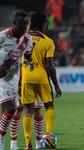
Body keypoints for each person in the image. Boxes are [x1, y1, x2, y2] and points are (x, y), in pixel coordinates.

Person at [21, 12, 62, 150]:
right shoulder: (48, 41)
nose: (46, 27)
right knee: (49, 105)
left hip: (26, 77)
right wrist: (56, 86)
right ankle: (49, 134)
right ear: (43, 24)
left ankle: (28, 144)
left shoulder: (22, 38)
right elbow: (50, 66)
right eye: (46, 25)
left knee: (28, 109)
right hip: (42, 77)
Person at [10, 12, 44, 150]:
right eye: (26, 24)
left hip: (35, 80)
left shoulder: (35, 40)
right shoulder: (18, 39)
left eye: (29, 24)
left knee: (37, 111)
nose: (27, 26)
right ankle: (13, 144)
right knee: (18, 110)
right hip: (20, 79)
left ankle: (37, 143)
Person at [0, 12, 34, 150]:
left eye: (26, 24)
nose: (24, 27)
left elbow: (27, 56)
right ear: (14, 23)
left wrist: (29, 64)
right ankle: (1, 142)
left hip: (14, 79)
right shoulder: (3, 36)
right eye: (21, 24)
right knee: (12, 108)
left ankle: (8, 143)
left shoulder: (27, 39)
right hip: (1, 78)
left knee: (6, 115)